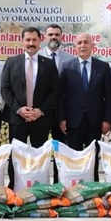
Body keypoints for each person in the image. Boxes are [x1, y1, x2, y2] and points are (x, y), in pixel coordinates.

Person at [0, 26, 59, 189]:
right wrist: (19, 109)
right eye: (27, 40)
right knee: (16, 156)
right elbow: (5, 89)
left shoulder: (49, 64)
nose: (31, 43)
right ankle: (14, 187)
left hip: (41, 119)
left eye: (34, 40)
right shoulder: (12, 62)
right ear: (22, 41)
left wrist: (41, 111)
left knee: (39, 157)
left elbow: (55, 91)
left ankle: (39, 187)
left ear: (40, 41)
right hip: (17, 118)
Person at [58, 32, 111, 181]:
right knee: (74, 158)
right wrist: (61, 118)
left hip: (94, 121)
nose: (83, 45)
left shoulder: (103, 67)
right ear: (75, 46)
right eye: (79, 43)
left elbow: (109, 96)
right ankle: (74, 188)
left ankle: (93, 188)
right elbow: (60, 96)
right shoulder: (67, 66)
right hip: (73, 121)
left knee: (92, 158)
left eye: (86, 42)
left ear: (92, 46)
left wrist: (107, 120)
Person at [42, 23, 76, 181]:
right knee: (40, 151)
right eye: (50, 34)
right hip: (41, 113)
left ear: (62, 37)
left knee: (61, 151)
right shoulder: (37, 56)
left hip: (61, 114)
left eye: (56, 34)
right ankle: (40, 182)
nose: (53, 37)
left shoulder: (71, 60)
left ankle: (59, 183)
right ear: (45, 37)